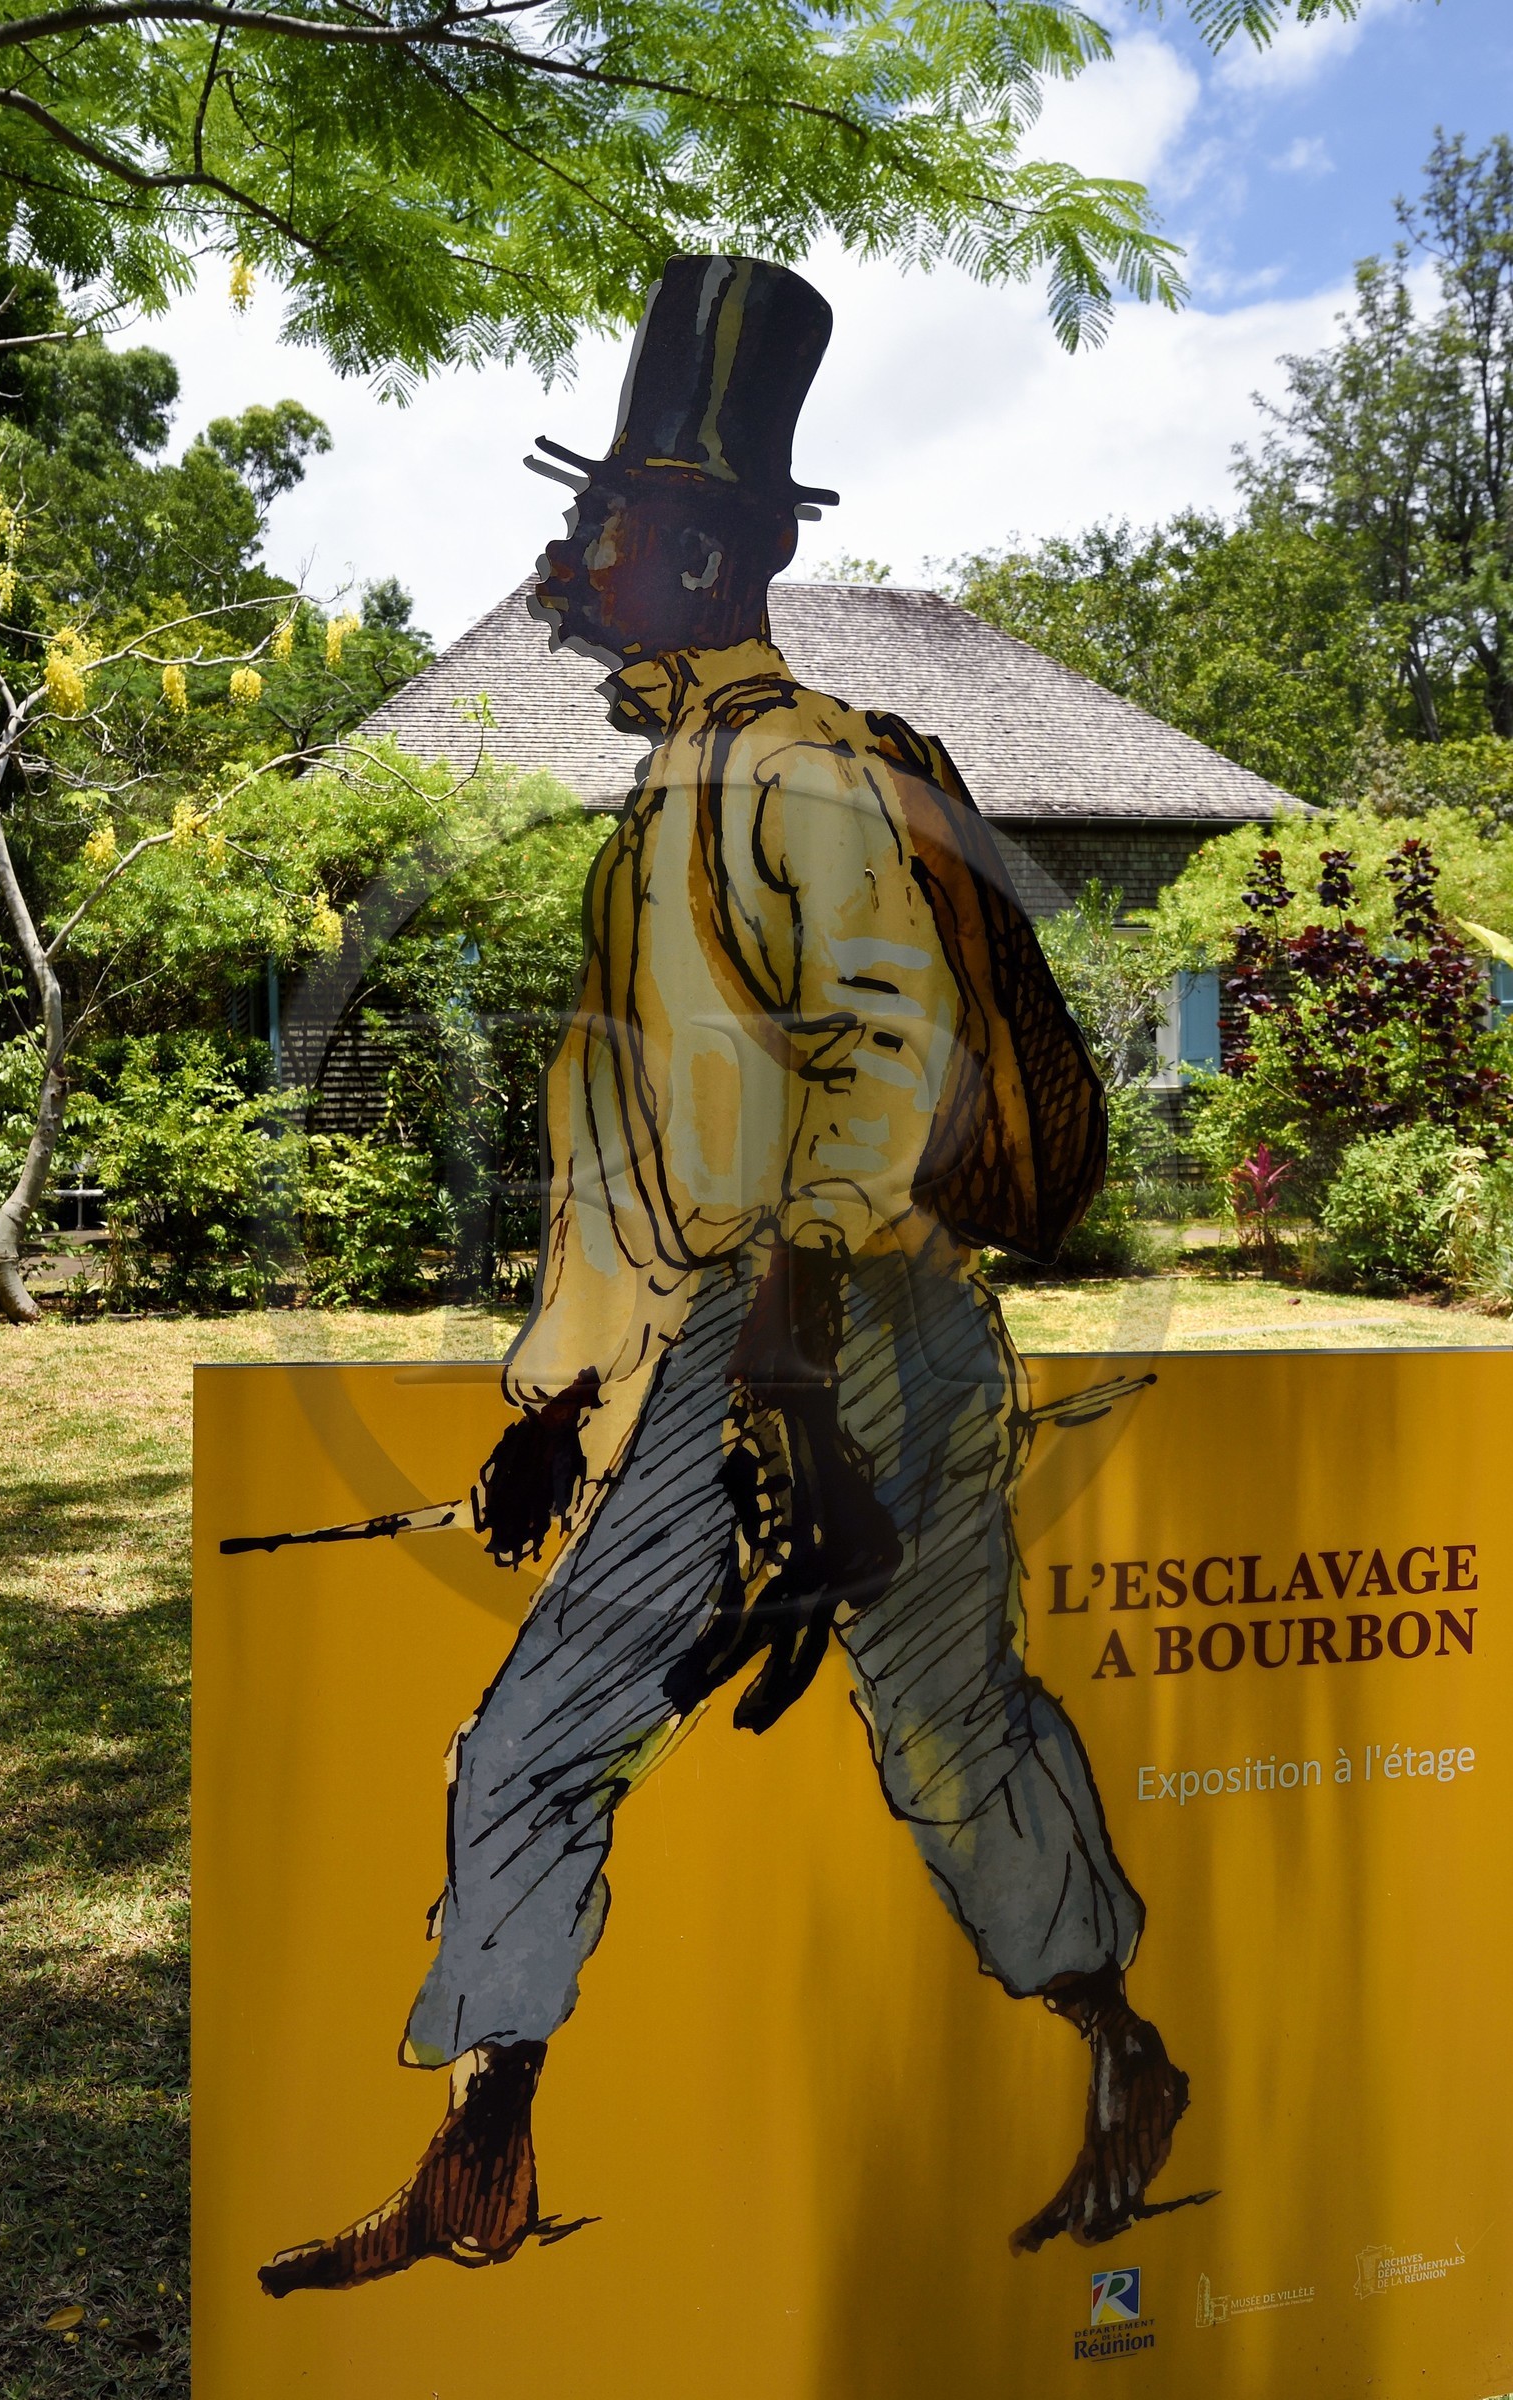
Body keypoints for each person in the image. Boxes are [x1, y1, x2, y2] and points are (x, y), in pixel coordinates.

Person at [259, 253, 1189, 2299]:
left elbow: (884, 1053)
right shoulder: (659, 810)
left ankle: (1117, 2052)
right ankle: (484, 2151)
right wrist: (552, 1406)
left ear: (691, 549)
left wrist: (782, 1327)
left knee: (932, 1733)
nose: (569, 566)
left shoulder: (799, 772)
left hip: (852, 1328)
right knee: (558, 1740)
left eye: (596, 530)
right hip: (748, 1342)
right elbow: (616, 1176)